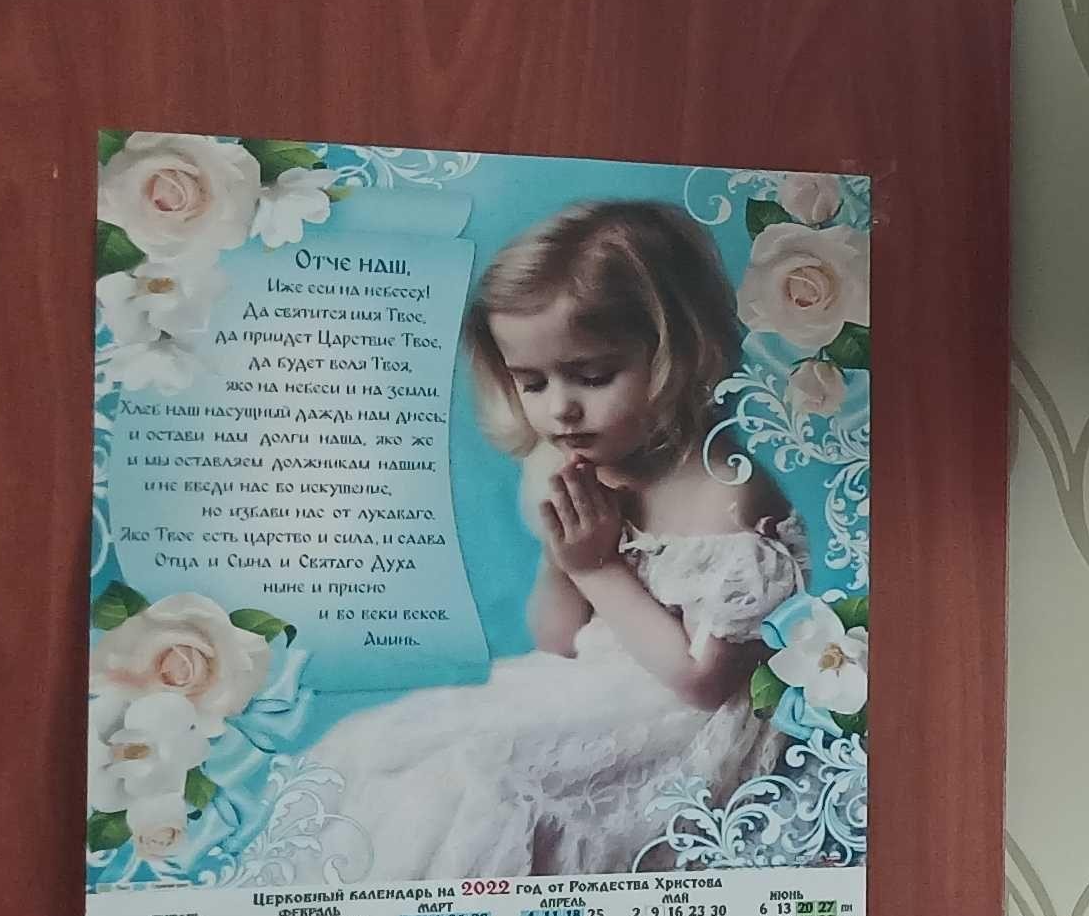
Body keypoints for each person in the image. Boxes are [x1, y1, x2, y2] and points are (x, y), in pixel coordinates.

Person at [304, 199, 805, 878]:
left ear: (679, 353)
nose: (561, 408)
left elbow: (703, 684)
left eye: (593, 377)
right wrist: (563, 559)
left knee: (489, 780)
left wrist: (597, 567)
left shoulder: (727, 495)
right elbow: (558, 641)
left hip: (687, 728)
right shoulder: (568, 464)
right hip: (594, 684)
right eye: (532, 383)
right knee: (385, 747)